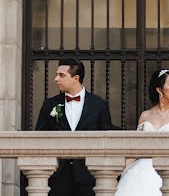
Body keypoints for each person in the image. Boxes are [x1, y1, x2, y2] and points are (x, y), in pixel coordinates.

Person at [35, 58, 114, 196]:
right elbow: (39, 135)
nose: (56, 79)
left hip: (88, 174)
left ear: (75, 78)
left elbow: (106, 140)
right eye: (57, 74)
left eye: (61, 75)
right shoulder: (50, 104)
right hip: (57, 175)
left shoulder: (99, 105)